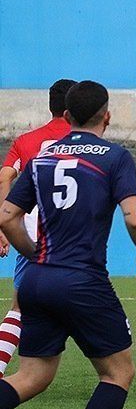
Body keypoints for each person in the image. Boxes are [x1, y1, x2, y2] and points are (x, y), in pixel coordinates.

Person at [0, 81, 136, 409]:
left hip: (35, 279)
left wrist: (34, 251)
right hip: (82, 280)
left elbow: (6, 217)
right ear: (107, 116)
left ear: (66, 117)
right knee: (117, 373)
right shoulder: (115, 156)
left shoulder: (41, 157)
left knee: (31, 376)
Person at [0, 78, 76, 378]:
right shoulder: (86, 141)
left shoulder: (28, 140)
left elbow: (5, 176)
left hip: (30, 233)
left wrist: (4, 227)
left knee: (19, 306)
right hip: (71, 233)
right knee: (86, 301)